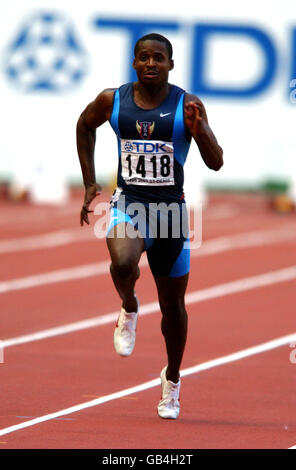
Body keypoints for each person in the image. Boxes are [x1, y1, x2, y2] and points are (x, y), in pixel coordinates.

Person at [76, 33, 223, 419]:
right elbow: (84, 124)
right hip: (129, 202)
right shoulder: (114, 100)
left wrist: (201, 130)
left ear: (171, 65)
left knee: (173, 308)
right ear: (134, 63)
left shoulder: (187, 105)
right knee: (123, 262)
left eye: (159, 58)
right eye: (144, 58)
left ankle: (172, 379)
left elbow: (216, 162)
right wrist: (90, 180)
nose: (151, 64)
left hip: (171, 212)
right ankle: (128, 305)